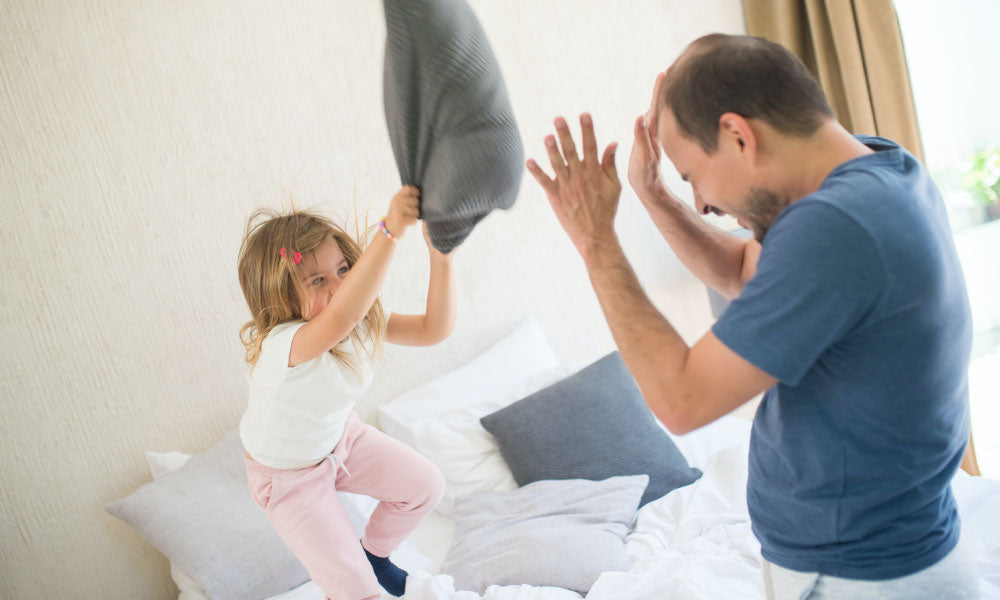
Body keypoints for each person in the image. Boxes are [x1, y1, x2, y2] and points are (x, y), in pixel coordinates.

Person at [527, 33, 979, 599]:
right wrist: (654, 195)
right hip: (876, 556)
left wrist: (595, 239)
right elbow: (746, 273)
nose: (702, 203)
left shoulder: (837, 227)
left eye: (691, 176)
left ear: (738, 135)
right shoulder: (876, 171)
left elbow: (681, 400)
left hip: (861, 574)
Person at [236, 186, 454, 600]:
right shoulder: (283, 345)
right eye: (317, 280)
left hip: (339, 440)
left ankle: (374, 554)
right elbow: (343, 313)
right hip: (287, 480)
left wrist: (441, 256)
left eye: (343, 270)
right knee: (356, 591)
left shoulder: (359, 320)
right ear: (280, 297)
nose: (338, 286)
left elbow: (434, 329)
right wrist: (389, 231)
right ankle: (358, 579)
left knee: (426, 486)